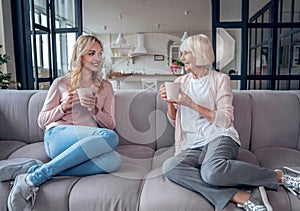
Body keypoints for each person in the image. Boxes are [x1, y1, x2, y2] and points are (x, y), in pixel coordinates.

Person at [160, 34, 300, 211]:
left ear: (199, 54)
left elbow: (225, 120)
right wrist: (170, 103)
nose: (181, 58)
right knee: (170, 167)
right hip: (191, 145)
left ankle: (280, 176)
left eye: (186, 53)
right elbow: (175, 122)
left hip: (219, 137)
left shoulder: (220, 79)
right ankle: (240, 196)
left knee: (212, 172)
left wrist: (191, 104)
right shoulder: (180, 82)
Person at [6, 34, 121, 211]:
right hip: (59, 135)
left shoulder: (105, 87)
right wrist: (63, 106)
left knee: (114, 161)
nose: (97, 58)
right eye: (91, 53)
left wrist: (95, 111)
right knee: (110, 138)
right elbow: (41, 120)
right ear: (80, 55)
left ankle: (38, 169)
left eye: (99, 53)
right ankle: (34, 179)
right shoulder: (61, 83)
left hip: (87, 140)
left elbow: (110, 123)